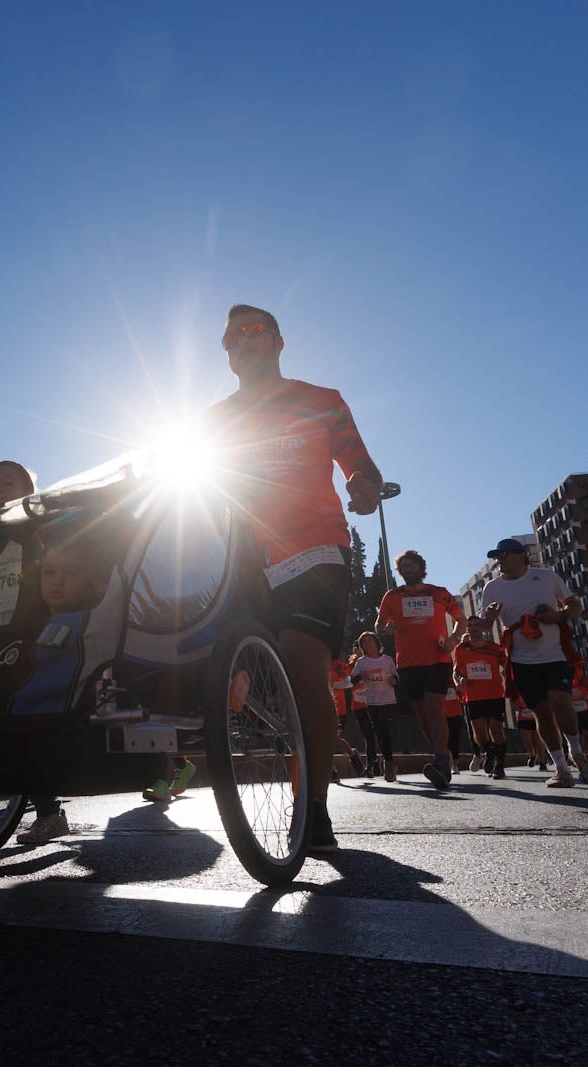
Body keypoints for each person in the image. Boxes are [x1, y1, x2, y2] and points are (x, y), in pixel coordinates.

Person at [205, 303, 383, 851]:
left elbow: (362, 465)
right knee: (220, 670)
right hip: (243, 557)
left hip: (313, 547)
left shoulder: (322, 400)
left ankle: (314, 807)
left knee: (305, 669)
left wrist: (364, 486)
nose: (242, 341)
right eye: (232, 338)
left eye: (254, 331)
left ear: (279, 341)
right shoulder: (214, 419)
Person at [0, 460, 74, 846]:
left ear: (29, 492)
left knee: (27, 717)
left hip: (34, 629)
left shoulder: (40, 528)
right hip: (0, 631)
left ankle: (50, 812)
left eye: (7, 481)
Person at [477, 537, 588, 788]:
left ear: (522, 555)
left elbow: (575, 606)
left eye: (505, 554)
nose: (500, 560)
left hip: (555, 655)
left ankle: (576, 752)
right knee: (541, 713)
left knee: (560, 700)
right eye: (497, 556)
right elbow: (485, 626)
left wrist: (558, 615)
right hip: (521, 660)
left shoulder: (546, 577)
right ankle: (561, 768)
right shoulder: (492, 588)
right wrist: (489, 618)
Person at [377, 550, 466, 791]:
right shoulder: (392, 596)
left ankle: (440, 762)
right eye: (403, 566)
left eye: (411, 565)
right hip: (408, 663)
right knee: (422, 715)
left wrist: (454, 640)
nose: (407, 569)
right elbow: (379, 625)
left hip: (438, 659)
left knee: (436, 709)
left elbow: (462, 620)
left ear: (420, 567)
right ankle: (442, 753)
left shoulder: (439, 593)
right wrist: (385, 629)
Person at [453, 614, 510, 779]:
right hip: (473, 696)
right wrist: (459, 680)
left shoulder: (495, 648)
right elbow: (456, 671)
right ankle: (489, 752)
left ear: (483, 627)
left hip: (495, 694)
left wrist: (509, 677)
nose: (473, 628)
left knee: (497, 731)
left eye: (477, 624)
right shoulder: (461, 649)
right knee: (479, 735)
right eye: (470, 626)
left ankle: (499, 766)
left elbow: (507, 666)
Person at [348, 631, 399, 782]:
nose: (367, 644)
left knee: (385, 731)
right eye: (364, 643)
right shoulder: (361, 662)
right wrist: (360, 676)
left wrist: (393, 680)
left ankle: (388, 762)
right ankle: (388, 762)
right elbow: (352, 680)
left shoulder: (387, 660)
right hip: (372, 701)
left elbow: (396, 677)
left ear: (376, 643)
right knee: (380, 732)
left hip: (388, 700)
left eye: (370, 641)